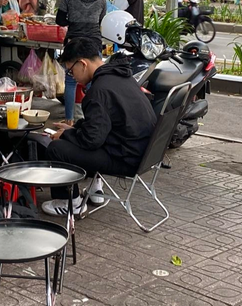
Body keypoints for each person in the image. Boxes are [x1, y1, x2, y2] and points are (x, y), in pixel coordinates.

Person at [42, 38, 157, 216]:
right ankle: (95, 189)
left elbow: (91, 140)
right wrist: (74, 130)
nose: (72, 77)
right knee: (73, 138)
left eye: (71, 72)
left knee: (57, 149)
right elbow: (101, 124)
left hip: (126, 158)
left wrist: (65, 135)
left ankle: (69, 202)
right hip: (144, 152)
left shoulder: (98, 91)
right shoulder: (121, 75)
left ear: (83, 64)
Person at [56, 0, 108, 124]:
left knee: (71, 82)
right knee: (94, 81)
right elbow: (102, 19)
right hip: (94, 41)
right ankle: (92, 118)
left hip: (74, 41)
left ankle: (69, 119)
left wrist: (73, 19)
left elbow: (59, 20)